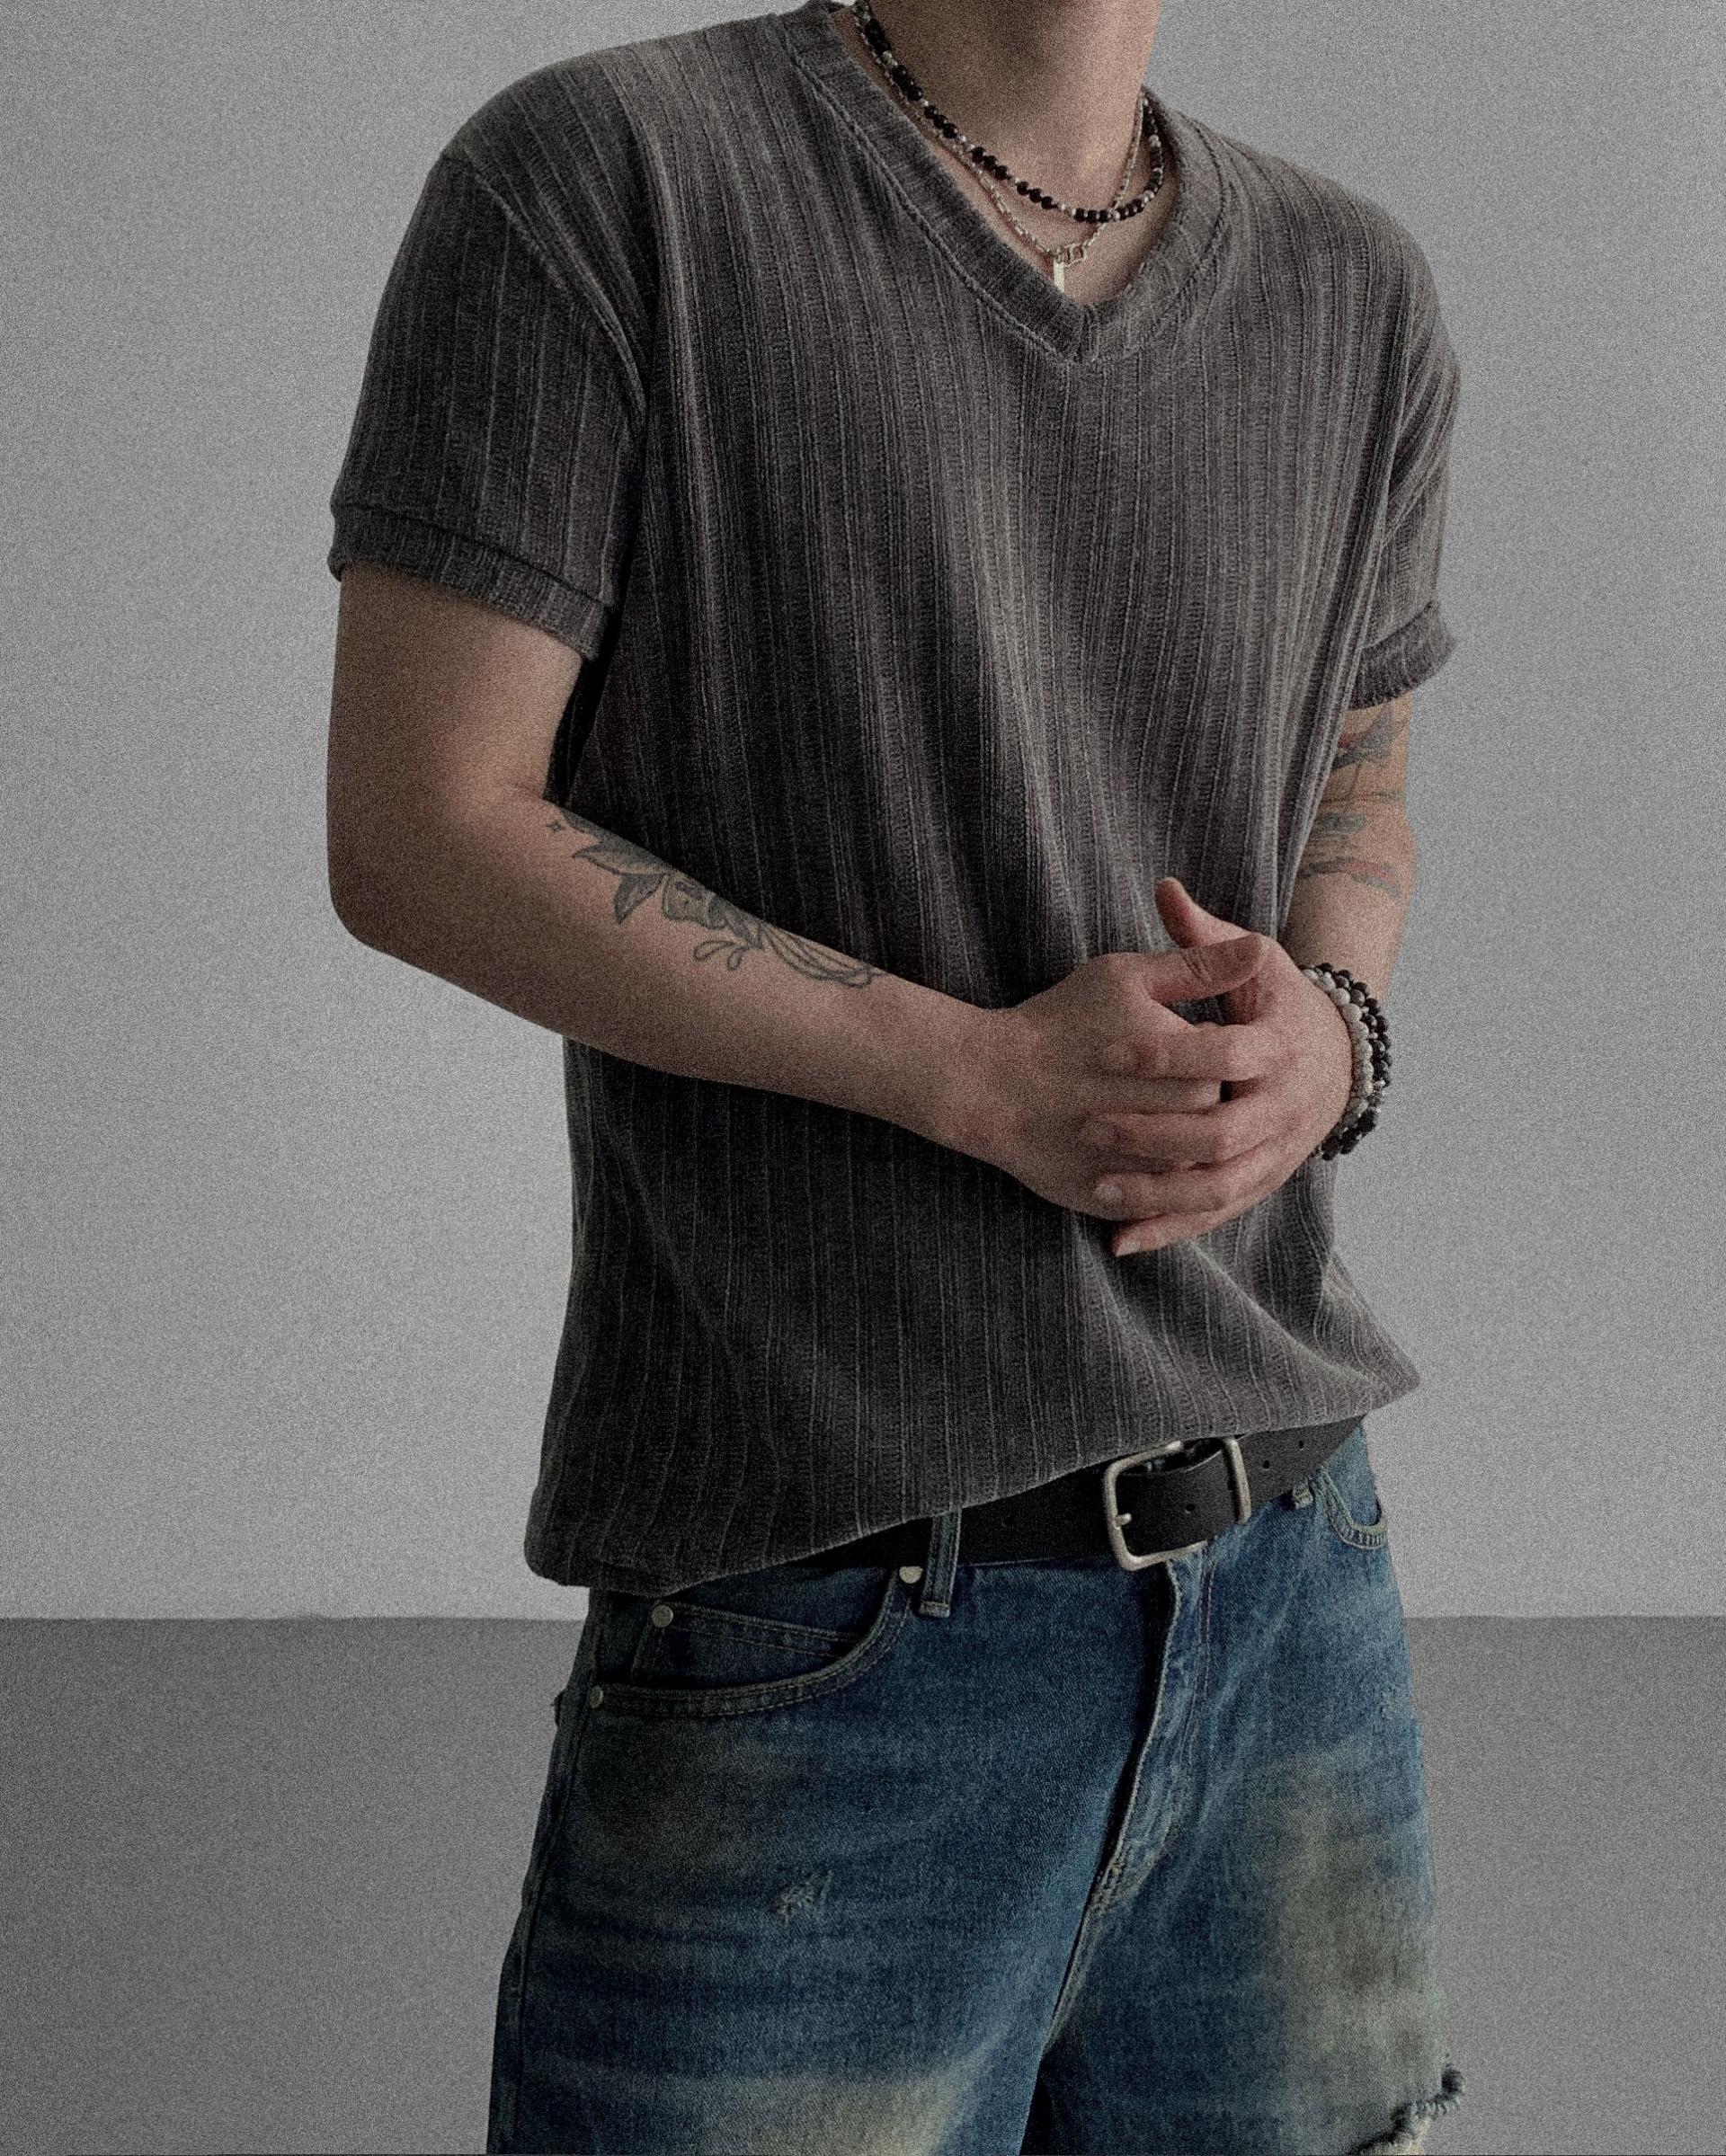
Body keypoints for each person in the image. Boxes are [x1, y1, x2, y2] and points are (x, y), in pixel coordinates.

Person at [323, 3, 1468, 2149]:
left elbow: (1359, 789)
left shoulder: (1356, 290)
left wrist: (1334, 1028)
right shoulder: (608, 182)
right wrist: (970, 1074)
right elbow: (419, 824)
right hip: (829, 1614)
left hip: (1294, 1593)